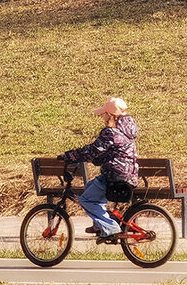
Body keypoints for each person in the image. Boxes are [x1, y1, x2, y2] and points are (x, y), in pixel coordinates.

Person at [58, 96, 139, 243]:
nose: (102, 116)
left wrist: (70, 156)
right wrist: (95, 160)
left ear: (111, 115)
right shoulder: (126, 132)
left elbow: (92, 150)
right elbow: (110, 153)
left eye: (103, 114)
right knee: (90, 187)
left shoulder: (111, 132)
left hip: (114, 176)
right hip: (128, 176)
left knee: (87, 200)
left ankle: (110, 228)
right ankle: (99, 225)